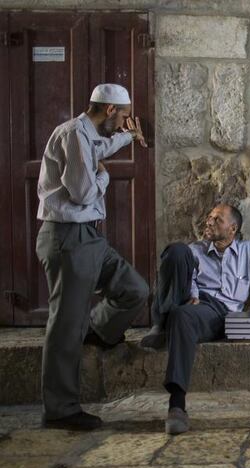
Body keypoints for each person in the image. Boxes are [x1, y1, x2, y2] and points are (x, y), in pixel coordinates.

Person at [36, 83, 149, 430]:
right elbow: (83, 193)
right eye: (124, 117)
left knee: (135, 289)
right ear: (110, 110)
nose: (126, 123)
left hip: (88, 237)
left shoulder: (88, 133)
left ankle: (98, 330)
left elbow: (104, 144)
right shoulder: (73, 134)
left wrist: (129, 139)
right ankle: (60, 409)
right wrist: (104, 175)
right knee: (65, 325)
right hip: (68, 237)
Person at [140, 203, 250, 434]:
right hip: (195, 304)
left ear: (232, 228)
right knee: (177, 251)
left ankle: (176, 400)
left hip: (221, 313)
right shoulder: (195, 249)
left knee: (182, 316)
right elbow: (185, 277)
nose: (209, 221)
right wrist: (192, 294)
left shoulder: (249, 252)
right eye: (209, 216)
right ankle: (161, 328)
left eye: (217, 219)